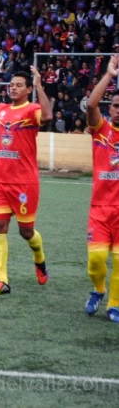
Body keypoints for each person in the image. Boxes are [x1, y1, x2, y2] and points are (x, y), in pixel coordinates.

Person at [0, 67, 53, 295]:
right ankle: (2, 280)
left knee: (26, 232)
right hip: (0, 182)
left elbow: (47, 116)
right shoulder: (0, 110)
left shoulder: (32, 110)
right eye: (12, 84)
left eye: (19, 85)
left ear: (27, 89)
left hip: (25, 184)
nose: (13, 87)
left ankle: (39, 257)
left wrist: (39, 86)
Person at [84, 54, 119, 322]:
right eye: (116, 105)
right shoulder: (101, 129)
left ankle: (114, 305)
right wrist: (108, 75)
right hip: (99, 208)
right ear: (111, 108)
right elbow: (91, 104)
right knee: (96, 263)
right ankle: (98, 290)